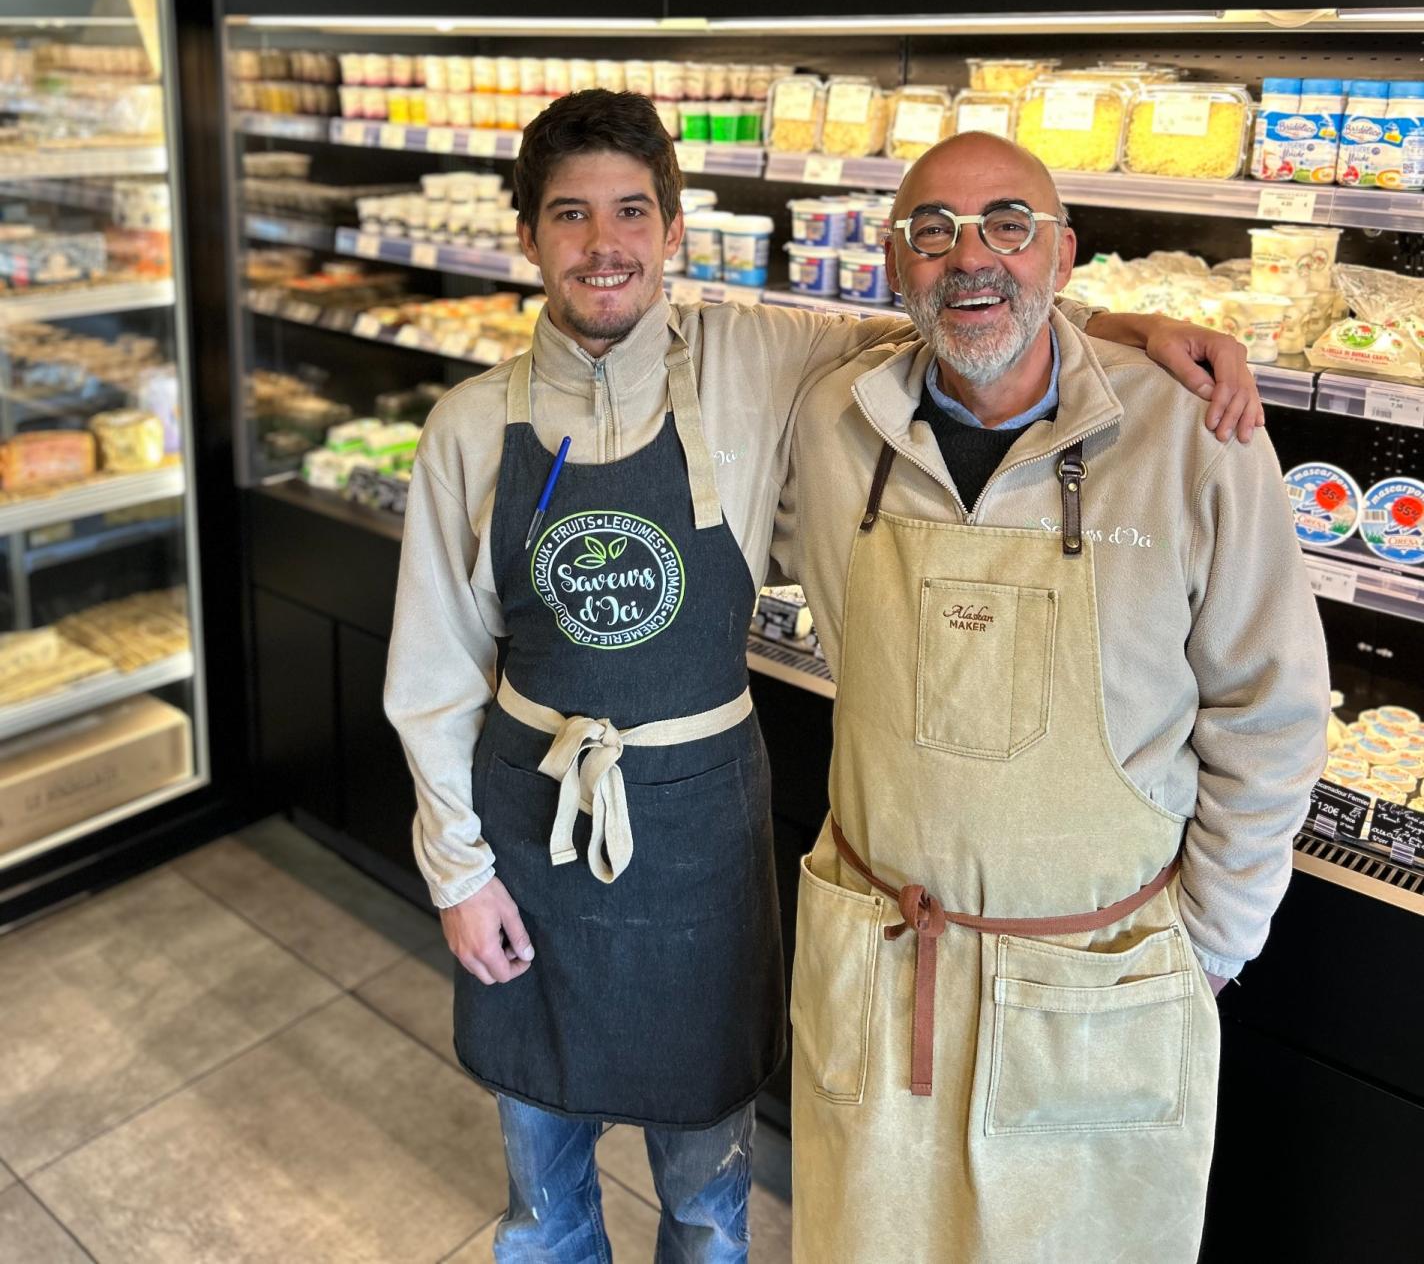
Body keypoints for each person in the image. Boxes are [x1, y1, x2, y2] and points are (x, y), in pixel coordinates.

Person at [384, 92, 1264, 1264]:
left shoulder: (756, 356)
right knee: (543, 1201)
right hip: (529, 827)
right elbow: (432, 673)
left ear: (675, 227)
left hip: (698, 838)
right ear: (527, 236)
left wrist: (1124, 323)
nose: (604, 245)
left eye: (631, 211)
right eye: (570, 215)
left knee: (708, 1202)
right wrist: (457, 871)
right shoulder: (465, 425)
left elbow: (958, 307)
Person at [774, 132, 1330, 1264]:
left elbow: (1270, 710)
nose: (970, 257)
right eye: (932, 231)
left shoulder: (1192, 434)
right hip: (881, 969)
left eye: (1008, 226)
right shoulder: (830, 417)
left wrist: (1208, 943)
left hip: (1099, 980)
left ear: (1065, 254)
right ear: (893, 261)